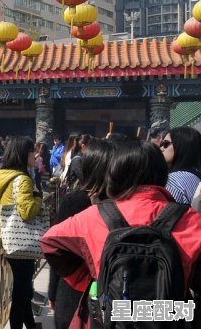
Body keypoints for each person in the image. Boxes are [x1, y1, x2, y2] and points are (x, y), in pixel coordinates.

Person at [42, 140, 201, 328]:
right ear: (162, 174)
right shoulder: (190, 219)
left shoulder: (95, 216)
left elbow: (50, 242)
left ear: (115, 173)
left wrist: (95, 274)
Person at [46, 138, 115, 328]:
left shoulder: (73, 201)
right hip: (109, 289)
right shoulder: (122, 203)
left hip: (73, 289)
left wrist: (52, 291)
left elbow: (58, 251)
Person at [0, 136, 42, 329]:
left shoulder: (4, 177)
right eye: (32, 151)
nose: (35, 155)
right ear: (23, 154)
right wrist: (38, 198)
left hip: (10, 239)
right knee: (21, 294)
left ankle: (31, 325)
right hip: (23, 243)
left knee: (24, 291)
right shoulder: (23, 180)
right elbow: (27, 212)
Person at [161, 127, 201, 204]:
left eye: (166, 144)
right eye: (161, 144)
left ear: (181, 146)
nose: (161, 148)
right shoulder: (196, 178)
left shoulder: (171, 181)